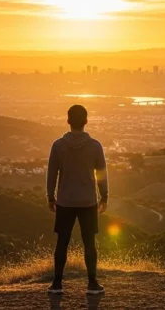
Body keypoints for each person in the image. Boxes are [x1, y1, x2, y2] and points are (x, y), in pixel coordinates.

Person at [46, 104, 108, 295]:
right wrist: (104, 196)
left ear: (68, 121)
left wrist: (50, 196)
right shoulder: (95, 146)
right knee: (89, 242)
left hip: (65, 201)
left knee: (62, 242)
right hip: (88, 201)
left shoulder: (58, 146)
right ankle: (92, 283)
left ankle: (57, 284)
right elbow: (102, 174)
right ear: (86, 121)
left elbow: (52, 173)